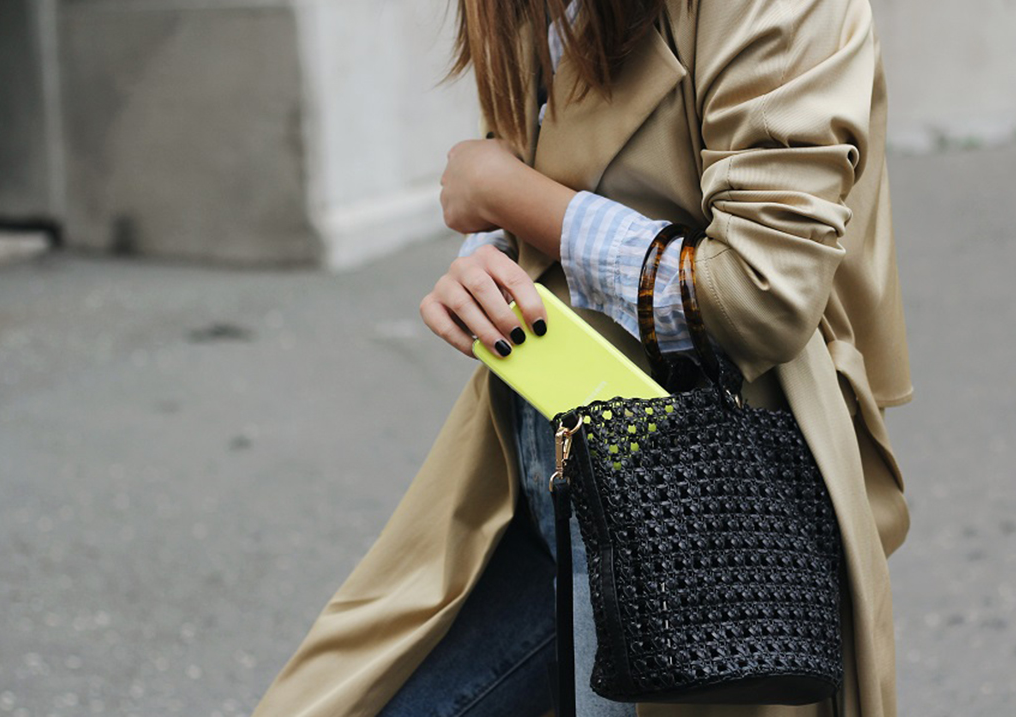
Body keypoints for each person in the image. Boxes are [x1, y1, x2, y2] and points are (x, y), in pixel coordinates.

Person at [251, 0, 912, 715]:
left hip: (696, 490)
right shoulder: (521, 10)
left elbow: (761, 293)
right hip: (541, 440)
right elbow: (552, 162)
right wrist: (487, 258)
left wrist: (504, 192)